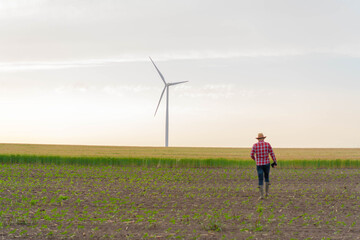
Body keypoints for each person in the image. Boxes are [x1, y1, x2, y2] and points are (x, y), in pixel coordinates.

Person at [251, 133, 277, 199]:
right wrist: (275, 162)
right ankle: (267, 193)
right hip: (266, 163)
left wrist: (256, 160)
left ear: (258, 139)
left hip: (259, 164)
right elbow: (272, 154)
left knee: (260, 178)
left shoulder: (255, 145)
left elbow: (251, 155)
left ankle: (261, 195)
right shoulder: (267, 144)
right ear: (263, 138)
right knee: (266, 177)